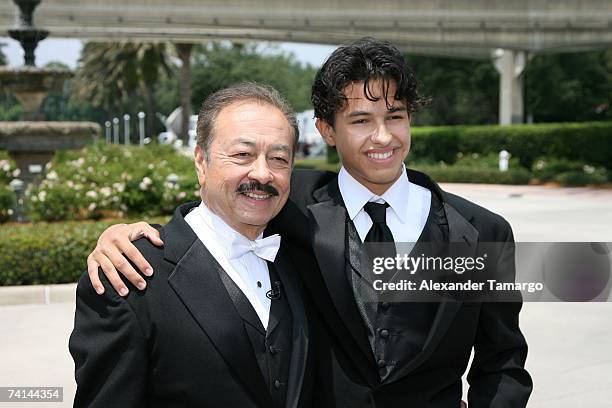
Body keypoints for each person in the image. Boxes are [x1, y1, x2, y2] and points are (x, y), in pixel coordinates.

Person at [86, 37, 532, 407]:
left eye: (395, 116)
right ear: (326, 130)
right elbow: (220, 204)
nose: (383, 136)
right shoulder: (290, 205)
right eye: (361, 120)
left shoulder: (482, 233)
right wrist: (120, 234)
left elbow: (503, 362)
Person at [69, 83, 316, 408]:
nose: (262, 172)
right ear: (201, 161)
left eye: (279, 158)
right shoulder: (128, 275)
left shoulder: (304, 253)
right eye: (242, 154)